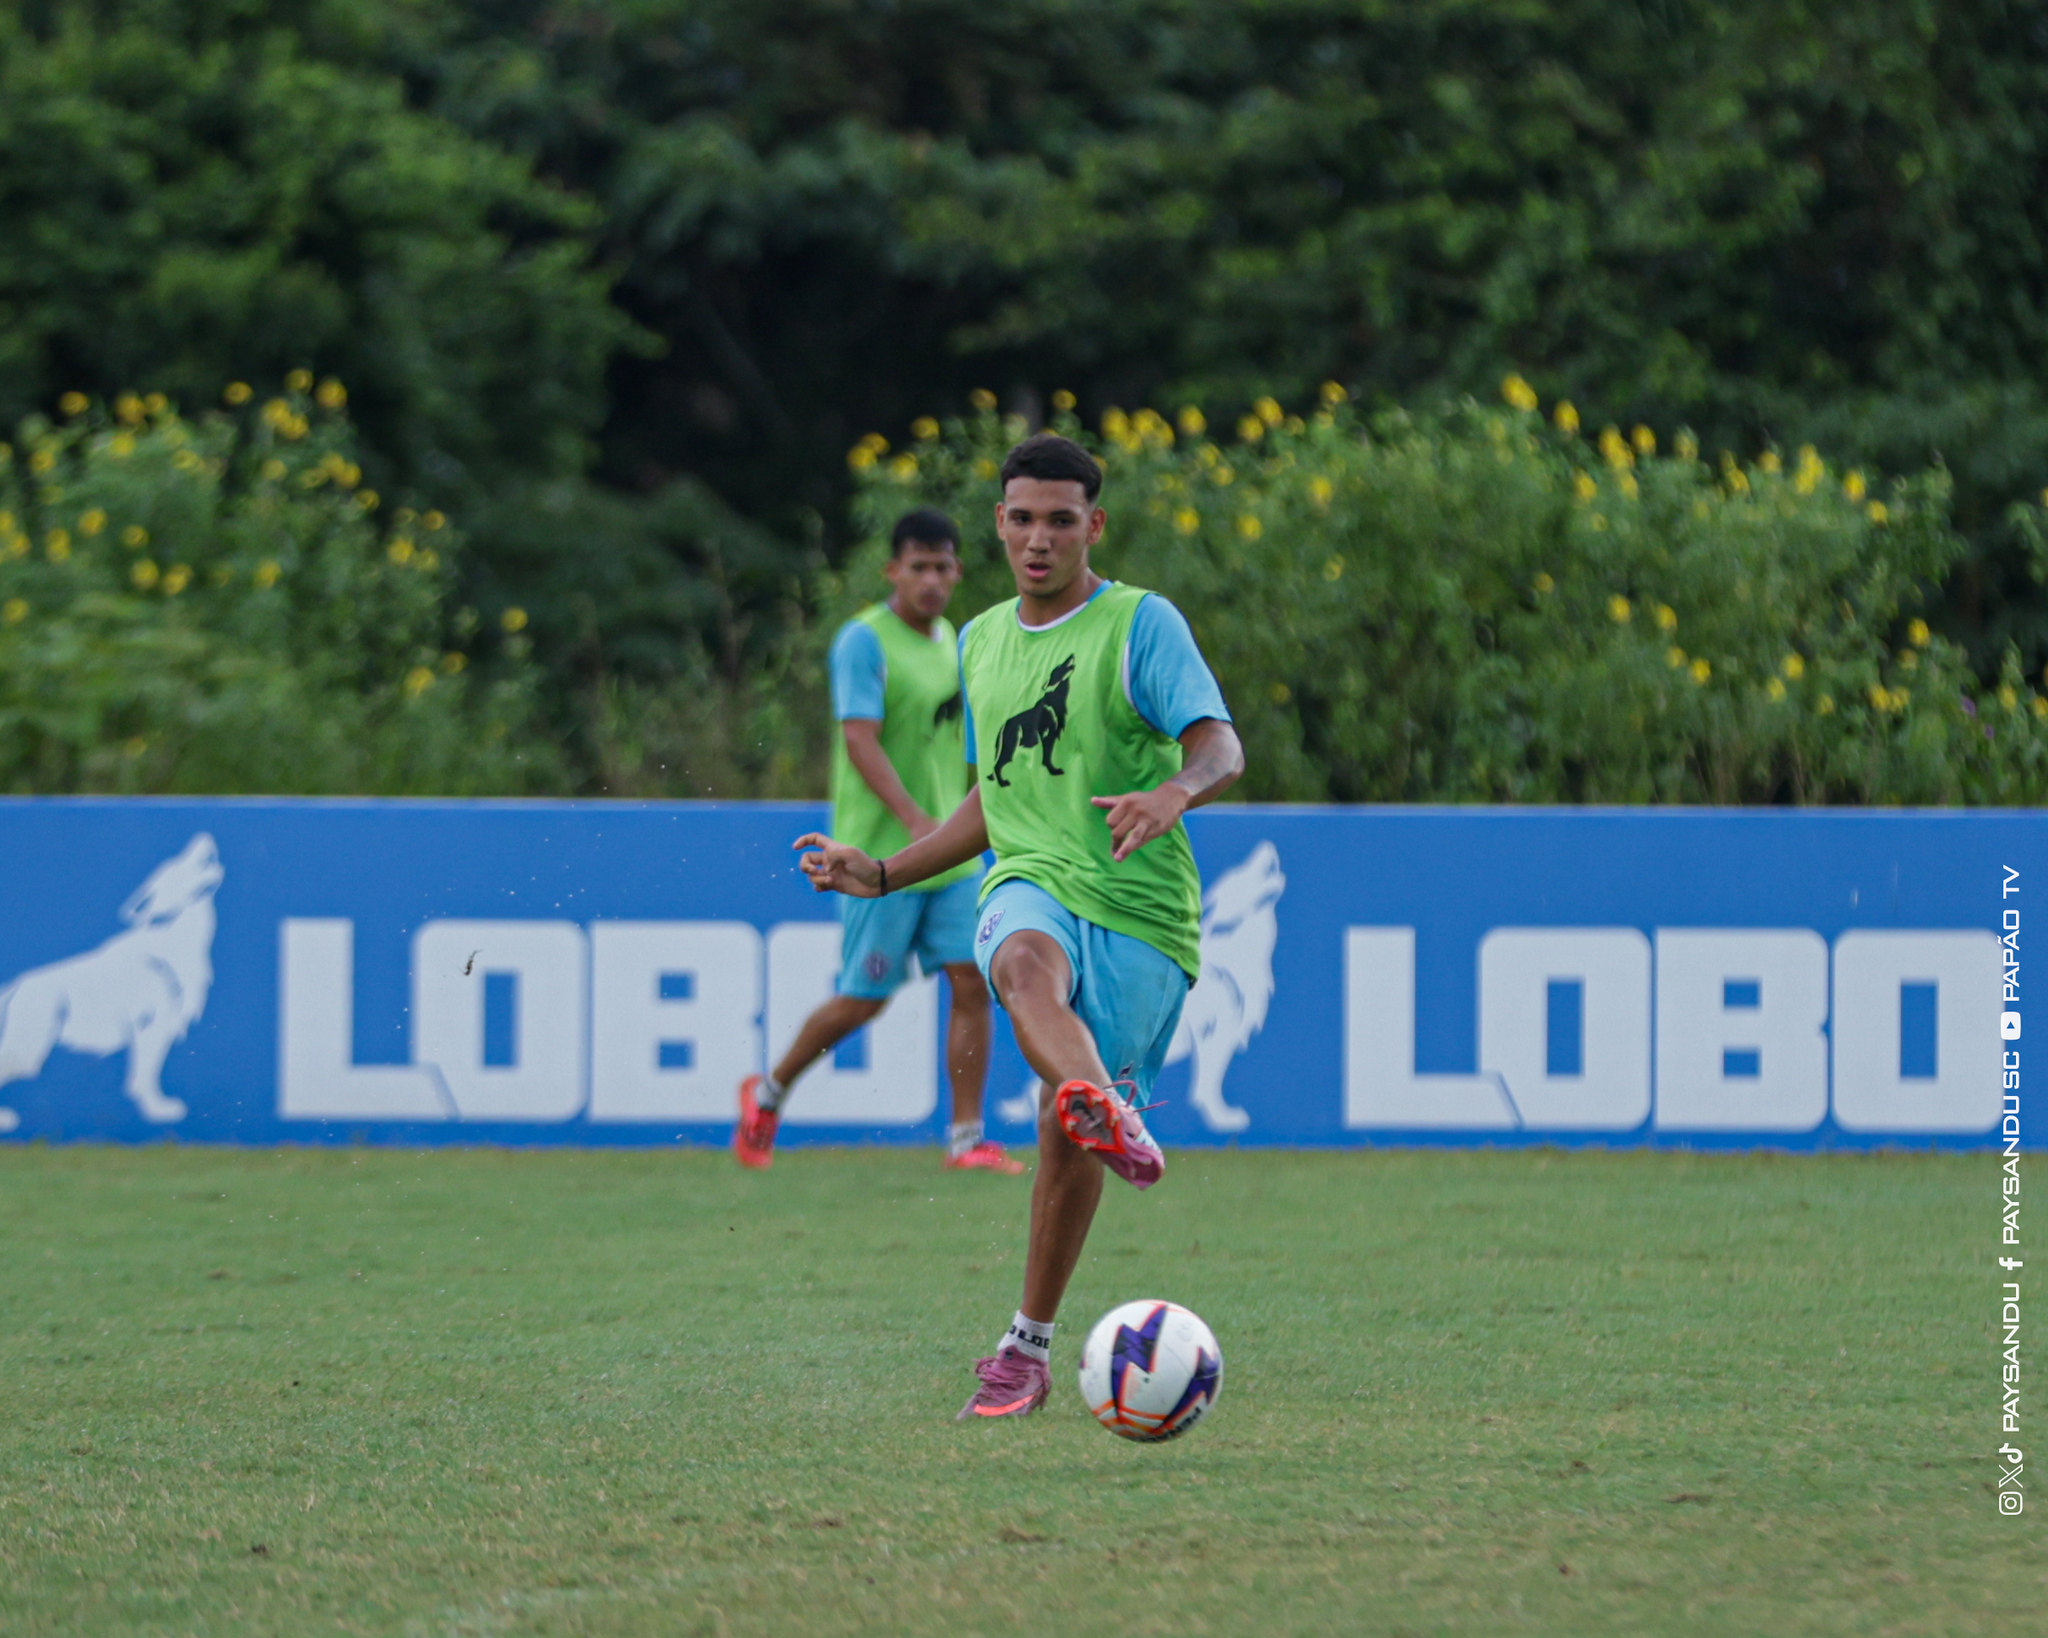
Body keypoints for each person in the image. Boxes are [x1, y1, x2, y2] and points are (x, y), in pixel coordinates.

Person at [795, 434, 1244, 1419]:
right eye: (1021, 519)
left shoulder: (1139, 624)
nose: (1038, 540)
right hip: (1029, 882)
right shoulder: (981, 639)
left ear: (1094, 526)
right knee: (1017, 965)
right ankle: (1099, 1100)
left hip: (1139, 908)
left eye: (1060, 520)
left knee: (1058, 1135)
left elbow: (1219, 743)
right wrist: (881, 871)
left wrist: (1172, 792)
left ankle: (1027, 1347)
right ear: (998, 523)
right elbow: (989, 805)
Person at [736, 509, 1022, 1175]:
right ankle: (769, 1094)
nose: (931, 580)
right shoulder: (863, 641)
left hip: (947, 855)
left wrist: (949, 826)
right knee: (863, 1000)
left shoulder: (954, 637)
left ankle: (965, 1140)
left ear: (956, 572)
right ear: (893, 570)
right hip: (876, 858)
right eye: (917, 567)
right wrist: (918, 819)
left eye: (942, 567)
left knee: (972, 981)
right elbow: (858, 739)